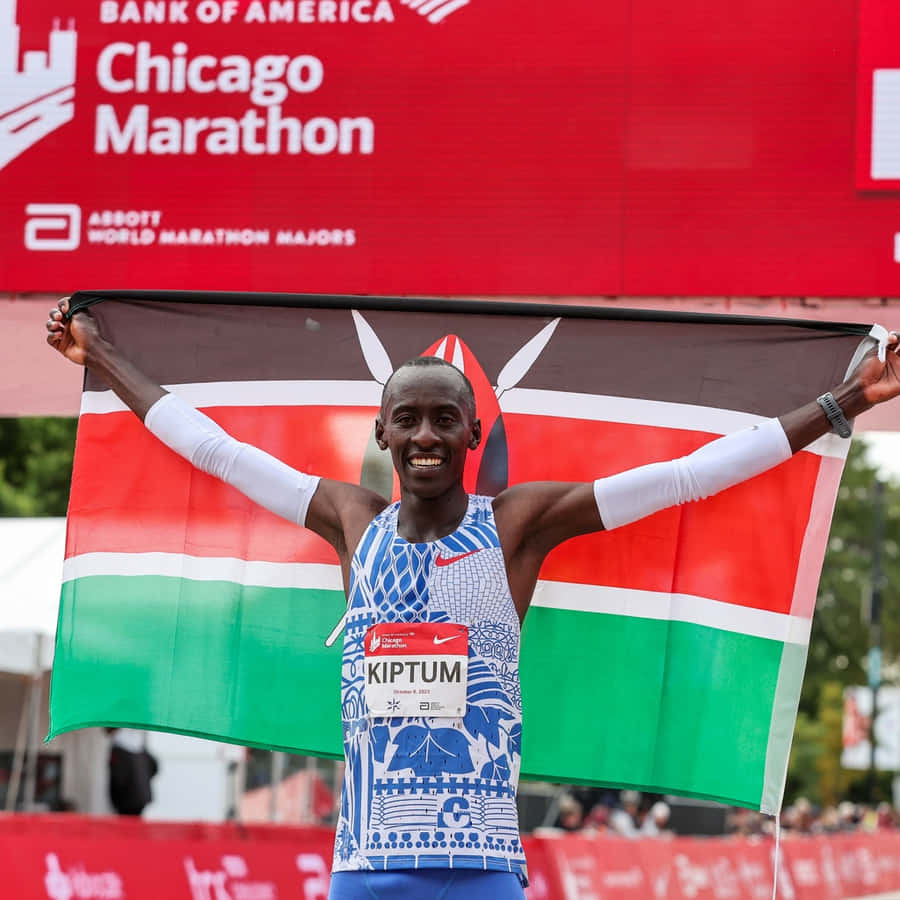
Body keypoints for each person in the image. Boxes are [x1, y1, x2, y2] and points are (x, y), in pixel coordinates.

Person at [46, 299, 900, 899]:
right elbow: (214, 451)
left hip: (482, 869)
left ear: (472, 432)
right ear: (382, 432)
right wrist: (103, 358)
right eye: (408, 419)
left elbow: (685, 478)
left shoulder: (517, 526)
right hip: (365, 867)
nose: (425, 435)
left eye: (444, 420)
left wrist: (844, 401)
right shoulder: (352, 522)